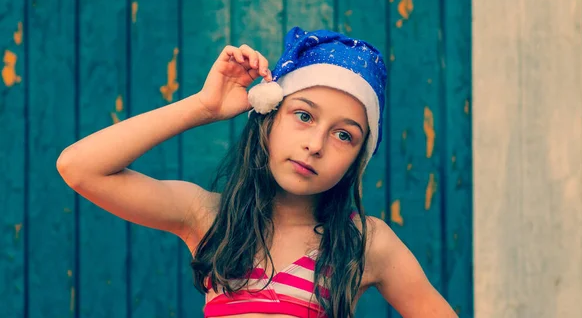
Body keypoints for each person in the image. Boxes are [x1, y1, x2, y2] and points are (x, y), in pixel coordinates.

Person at [57, 27, 457, 318]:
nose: (315, 144)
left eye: (343, 135)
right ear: (268, 118)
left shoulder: (364, 243)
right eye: (303, 115)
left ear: (358, 159)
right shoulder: (209, 218)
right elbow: (80, 168)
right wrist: (203, 107)